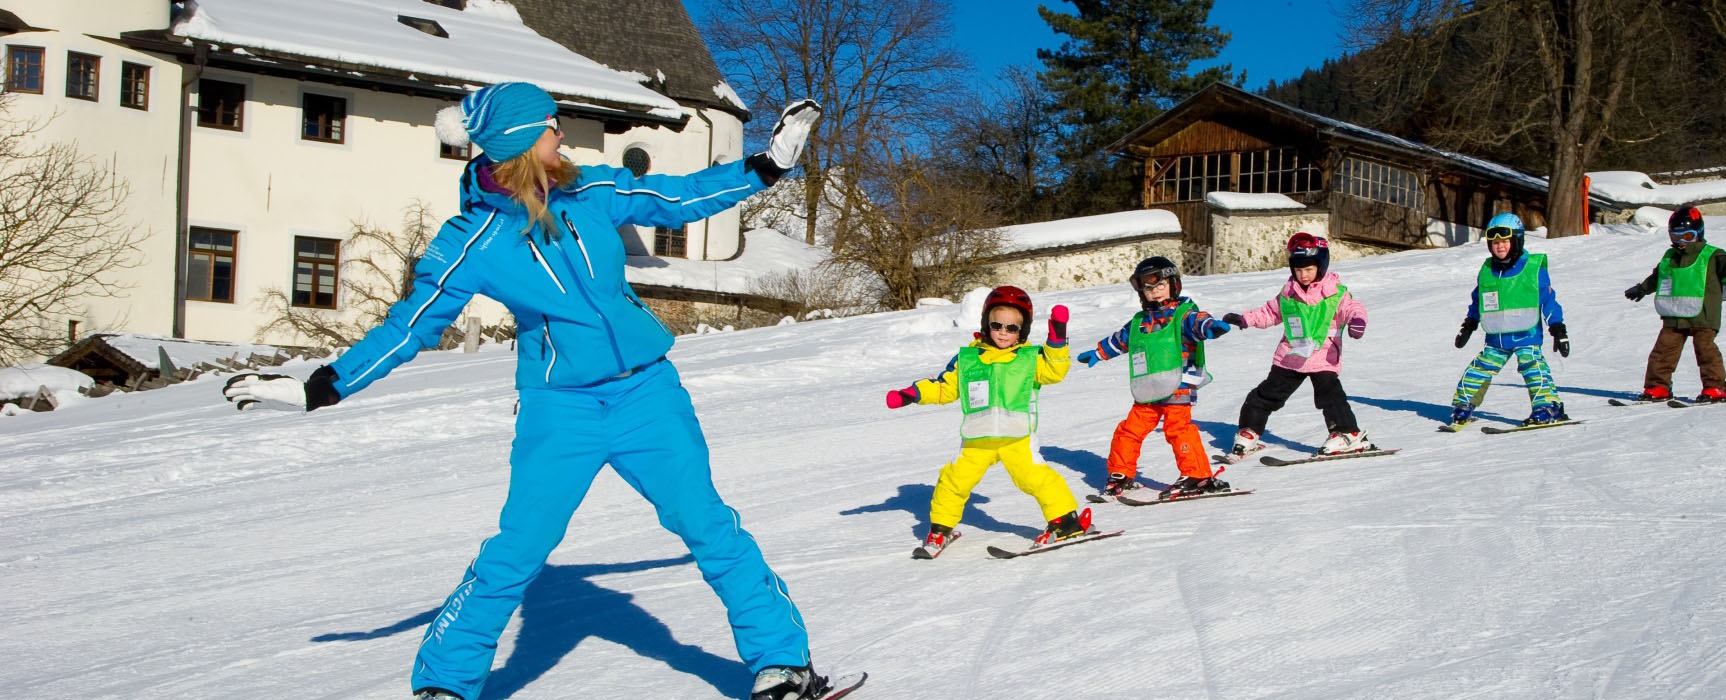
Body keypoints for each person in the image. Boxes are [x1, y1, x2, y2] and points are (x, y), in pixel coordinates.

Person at [220, 82, 840, 700]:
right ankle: (445, 684)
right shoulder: (471, 241)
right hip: (560, 408)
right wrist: (322, 387)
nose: (561, 132)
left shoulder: (589, 189)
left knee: (708, 527)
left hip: (646, 393)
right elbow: (409, 325)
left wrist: (769, 165)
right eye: (551, 124)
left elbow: (676, 199)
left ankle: (782, 665)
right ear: (518, 141)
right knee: (518, 548)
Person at [882, 286, 1090, 557]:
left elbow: (1055, 371)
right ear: (985, 324)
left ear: (1022, 330)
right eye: (997, 324)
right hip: (977, 439)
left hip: (1017, 438)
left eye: (1012, 327)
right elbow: (945, 387)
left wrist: (1057, 337)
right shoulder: (968, 360)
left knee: (1035, 478)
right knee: (954, 480)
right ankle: (940, 528)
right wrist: (913, 394)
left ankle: (1066, 521)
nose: (1004, 332)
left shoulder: (1029, 359)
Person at [1078, 256, 1236, 499]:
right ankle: (1121, 473)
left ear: (1173, 285)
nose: (1155, 292)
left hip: (1178, 386)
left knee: (1178, 429)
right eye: (1149, 288)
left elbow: (1197, 322)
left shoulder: (1184, 314)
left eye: (1160, 286)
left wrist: (1210, 327)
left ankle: (1198, 475)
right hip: (1148, 390)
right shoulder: (1139, 322)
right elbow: (1120, 340)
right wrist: (1099, 352)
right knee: (1129, 430)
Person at [1218, 233, 1372, 459]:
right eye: (1298, 270)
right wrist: (1245, 319)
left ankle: (1347, 433)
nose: (1303, 275)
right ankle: (1249, 432)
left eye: (1309, 269)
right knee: (1266, 394)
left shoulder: (1335, 292)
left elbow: (1352, 308)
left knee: (1330, 396)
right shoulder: (1289, 293)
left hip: (1322, 356)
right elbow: (1270, 313)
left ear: (1321, 266)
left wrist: (1357, 322)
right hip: (1292, 355)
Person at [1623, 205, 1726, 402]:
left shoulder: (1712, 255)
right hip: (1674, 315)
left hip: (1703, 316)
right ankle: (1658, 386)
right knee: (1662, 352)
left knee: (1706, 351)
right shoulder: (1670, 257)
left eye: (1687, 237)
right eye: (1675, 237)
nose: (1681, 243)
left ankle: (1715, 387)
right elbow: (1659, 277)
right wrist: (1641, 289)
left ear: (1699, 233)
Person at [1446, 213, 1571, 427]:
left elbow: (1549, 301)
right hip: (1496, 338)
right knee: (1478, 368)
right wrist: (1469, 325)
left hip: (1526, 335)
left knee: (1532, 367)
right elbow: (1479, 301)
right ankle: (1463, 405)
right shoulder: (1487, 272)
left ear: (1517, 240)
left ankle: (1548, 407)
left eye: (1504, 241)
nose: (1499, 246)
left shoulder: (1533, 269)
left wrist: (1558, 330)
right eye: (1494, 242)